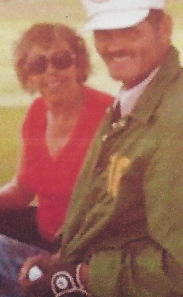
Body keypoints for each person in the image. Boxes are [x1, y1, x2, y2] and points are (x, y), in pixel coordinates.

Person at [0, 1, 183, 297]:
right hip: (85, 263)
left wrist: (79, 276)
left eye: (128, 31)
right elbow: (106, 208)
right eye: (104, 33)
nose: (114, 46)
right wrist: (60, 262)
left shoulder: (181, 127)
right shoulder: (134, 105)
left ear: (163, 28)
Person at [0, 23, 113, 251]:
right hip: (44, 239)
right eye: (38, 65)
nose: (50, 71)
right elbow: (22, 191)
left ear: (79, 64)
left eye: (61, 60)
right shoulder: (36, 113)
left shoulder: (108, 114)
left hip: (88, 252)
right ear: (28, 75)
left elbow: (116, 208)